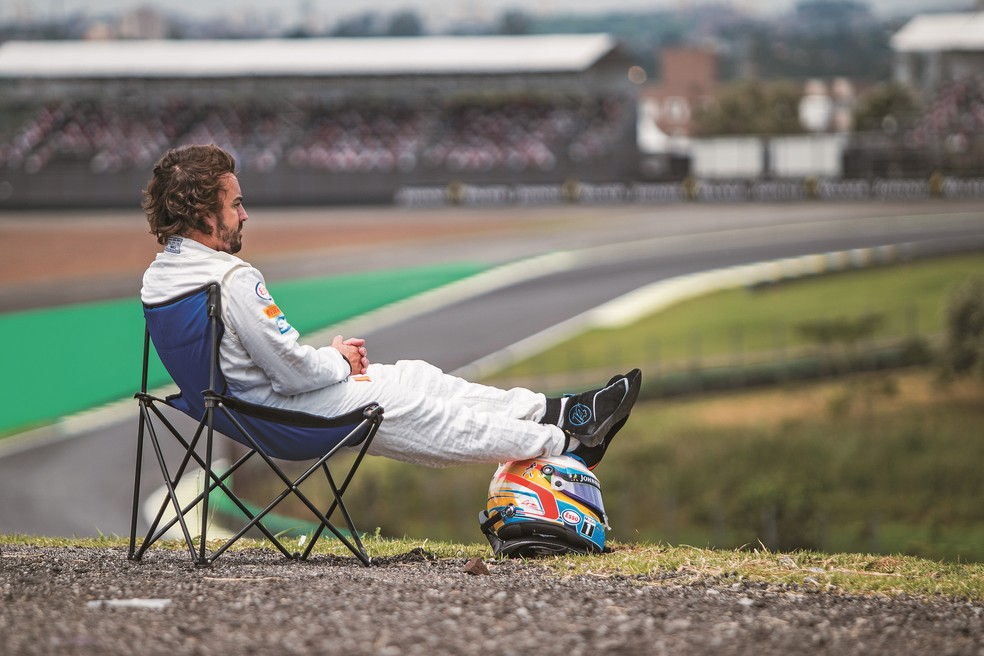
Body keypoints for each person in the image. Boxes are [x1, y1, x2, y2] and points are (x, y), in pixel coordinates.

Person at [140, 144, 640, 470]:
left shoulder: (159, 279)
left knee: (414, 375)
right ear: (205, 214)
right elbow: (292, 373)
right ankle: (566, 445)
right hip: (282, 419)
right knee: (406, 401)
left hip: (243, 414)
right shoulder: (232, 279)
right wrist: (338, 358)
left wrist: (331, 362)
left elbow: (261, 365)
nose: (245, 214)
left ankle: (560, 412)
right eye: (235, 204)